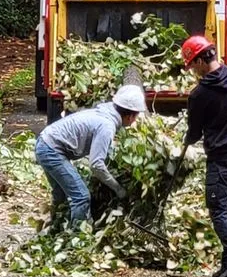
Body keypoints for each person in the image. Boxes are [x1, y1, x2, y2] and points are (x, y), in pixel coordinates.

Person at [182, 36, 227, 277]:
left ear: (201, 60)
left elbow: (195, 132)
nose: (193, 70)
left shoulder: (199, 95)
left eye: (193, 65)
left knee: (218, 210)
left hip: (221, 160)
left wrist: (185, 141)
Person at [35, 85, 146, 227]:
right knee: (81, 197)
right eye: (136, 117)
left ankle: (55, 228)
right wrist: (118, 189)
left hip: (45, 142)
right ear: (130, 116)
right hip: (51, 151)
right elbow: (96, 165)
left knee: (61, 195)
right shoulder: (107, 125)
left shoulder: (105, 112)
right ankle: (77, 240)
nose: (134, 121)